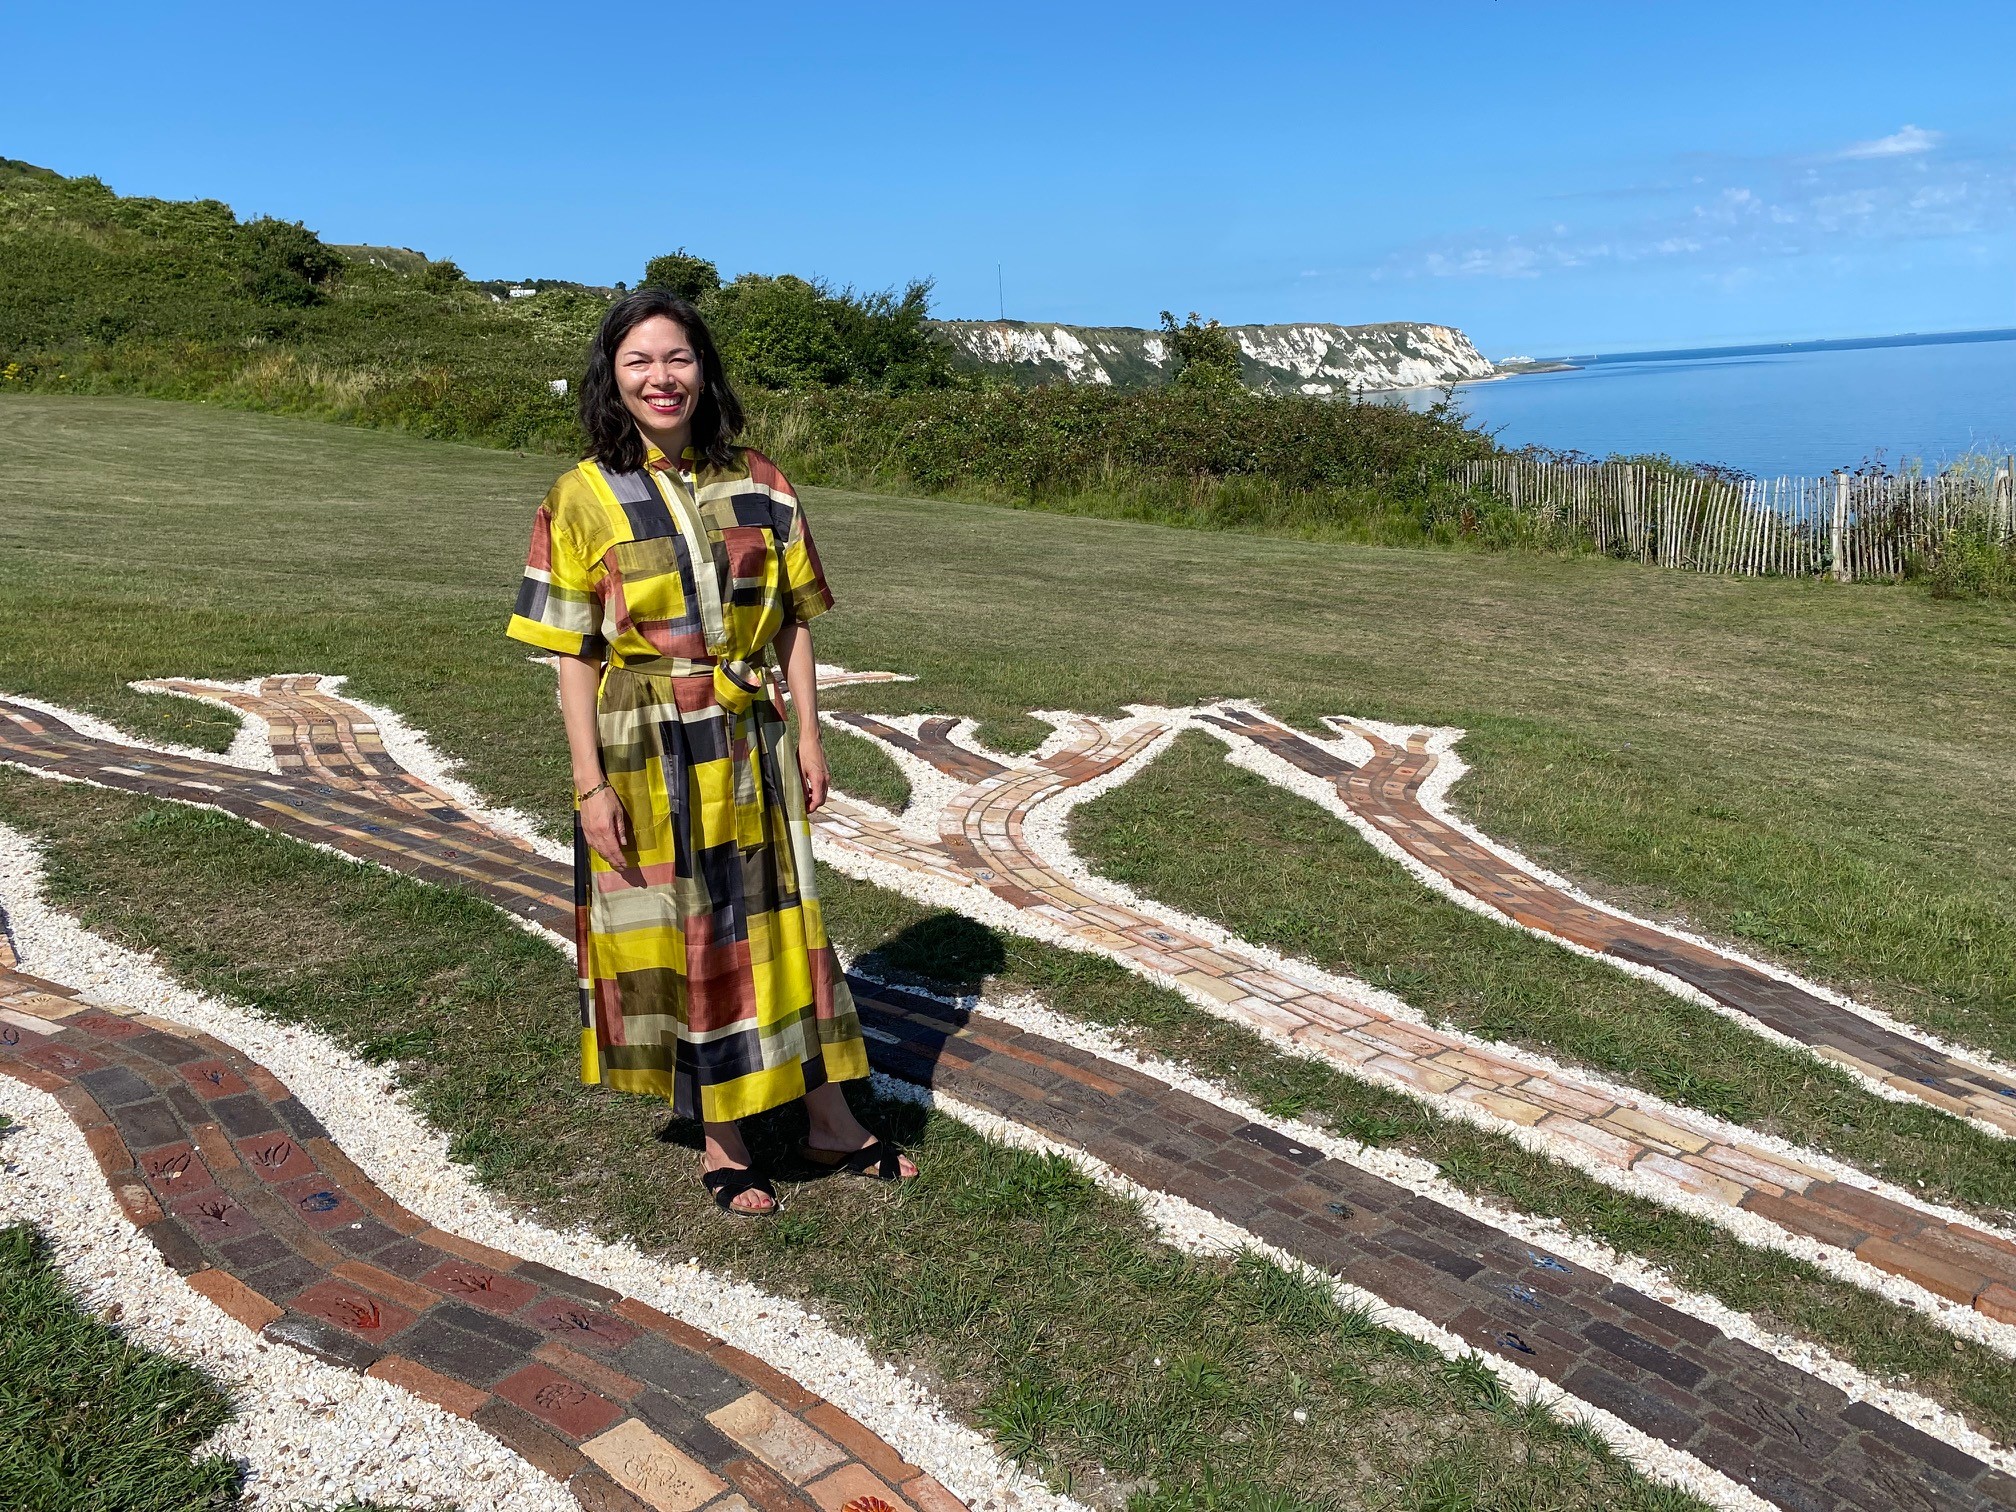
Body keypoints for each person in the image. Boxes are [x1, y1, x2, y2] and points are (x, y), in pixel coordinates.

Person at [506, 289, 916, 1215]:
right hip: (645, 741)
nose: (661, 378)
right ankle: (723, 1142)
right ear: (612, 377)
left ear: (704, 370)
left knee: (782, 923)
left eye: (678, 358)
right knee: (693, 932)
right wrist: (589, 786)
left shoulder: (761, 482)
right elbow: (573, 652)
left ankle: (828, 1119)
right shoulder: (580, 497)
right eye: (639, 361)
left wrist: (808, 732)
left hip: (751, 734)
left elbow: (796, 621)